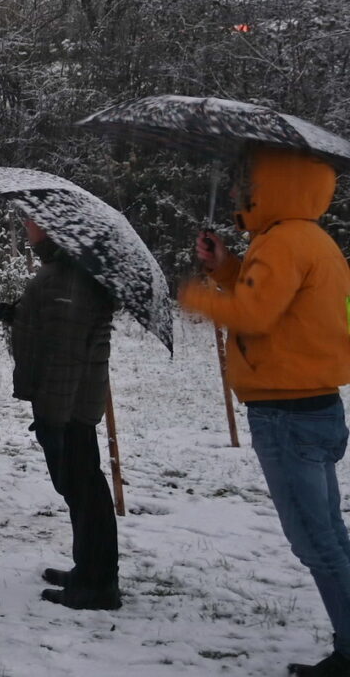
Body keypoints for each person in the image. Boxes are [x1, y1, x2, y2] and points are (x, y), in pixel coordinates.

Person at [181, 149, 350, 677]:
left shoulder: (281, 243)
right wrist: (227, 267)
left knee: (315, 542)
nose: (237, 195)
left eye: (245, 186)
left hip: (286, 415)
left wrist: (195, 296)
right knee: (331, 537)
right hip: (317, 407)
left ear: (272, 188)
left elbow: (254, 313)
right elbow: (283, 309)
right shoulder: (313, 241)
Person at [0, 210, 118, 611]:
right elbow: (53, 330)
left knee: (83, 490)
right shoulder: (64, 271)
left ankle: (98, 583)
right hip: (68, 405)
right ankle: (90, 570)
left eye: (31, 220)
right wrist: (18, 314)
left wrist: (54, 417)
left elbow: (65, 353)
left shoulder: (67, 279)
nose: (26, 226)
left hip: (67, 409)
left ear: (51, 227)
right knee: (81, 489)